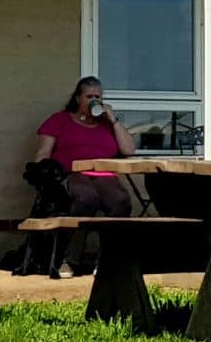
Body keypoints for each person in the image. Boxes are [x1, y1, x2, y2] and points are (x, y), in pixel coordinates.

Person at [31, 76, 136, 278]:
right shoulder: (60, 120)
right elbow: (43, 153)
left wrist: (113, 120)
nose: (94, 100)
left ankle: (107, 260)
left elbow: (129, 150)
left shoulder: (107, 124)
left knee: (120, 201)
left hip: (103, 173)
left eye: (98, 96)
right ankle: (68, 260)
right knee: (85, 199)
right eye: (89, 96)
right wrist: (42, 176)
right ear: (78, 98)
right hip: (72, 173)